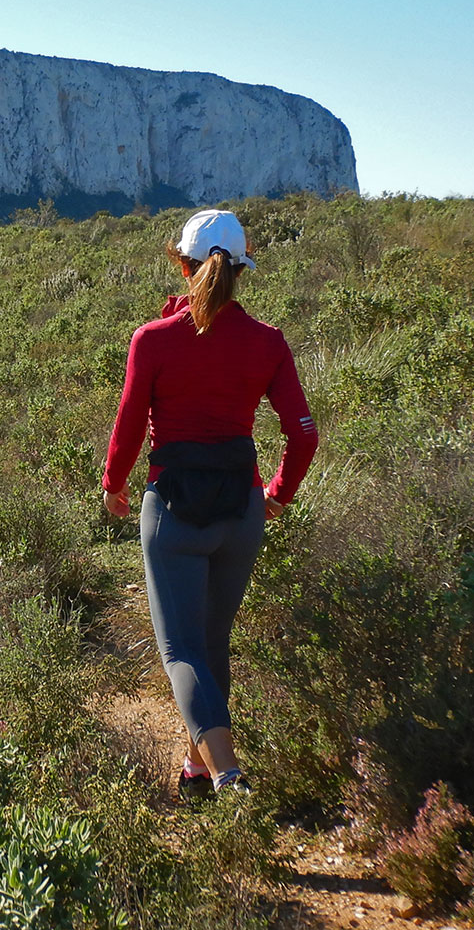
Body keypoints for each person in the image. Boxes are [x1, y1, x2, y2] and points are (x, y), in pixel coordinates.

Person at [102, 208, 319, 801]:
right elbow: (303, 435)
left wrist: (114, 484)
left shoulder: (153, 340)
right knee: (212, 640)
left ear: (181, 262)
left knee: (180, 650)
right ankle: (198, 769)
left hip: (173, 510)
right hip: (241, 511)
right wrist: (277, 493)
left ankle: (227, 775)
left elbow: (128, 424)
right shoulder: (268, 343)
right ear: (241, 269)